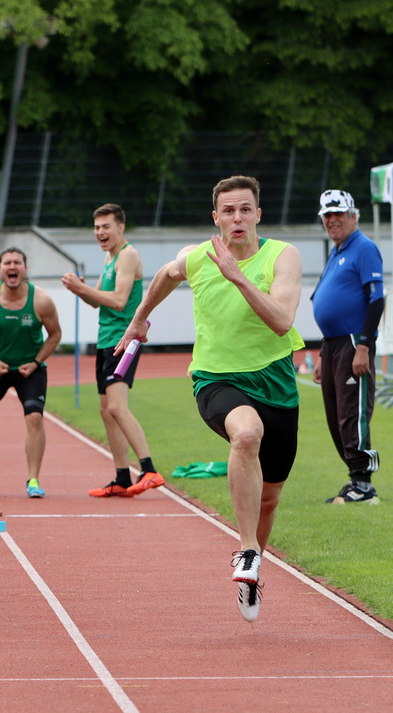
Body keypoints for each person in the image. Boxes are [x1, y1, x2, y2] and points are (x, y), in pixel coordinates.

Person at [117, 176, 304, 622]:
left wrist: (237, 277)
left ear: (258, 214)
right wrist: (141, 319)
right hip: (216, 380)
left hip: (276, 385)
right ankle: (244, 552)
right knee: (246, 435)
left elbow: (282, 321)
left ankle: (253, 568)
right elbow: (165, 275)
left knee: (271, 498)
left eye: (245, 210)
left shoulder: (284, 256)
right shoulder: (198, 257)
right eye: (228, 211)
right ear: (215, 217)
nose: (236, 218)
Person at [61, 204, 164, 498]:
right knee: (107, 412)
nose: (100, 233)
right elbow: (98, 301)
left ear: (120, 228)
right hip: (107, 340)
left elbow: (119, 300)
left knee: (117, 407)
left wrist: (83, 291)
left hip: (124, 340)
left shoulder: (128, 255)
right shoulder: (109, 257)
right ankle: (121, 476)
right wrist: (81, 290)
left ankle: (149, 470)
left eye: (106, 226)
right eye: (96, 227)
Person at [0, 248, 61, 497]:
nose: (12, 266)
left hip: (30, 369)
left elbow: (55, 334)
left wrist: (37, 362)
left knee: (35, 419)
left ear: (24, 269)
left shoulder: (41, 300)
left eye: (17, 262)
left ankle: (33, 480)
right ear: (0, 270)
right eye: (7, 262)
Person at [309, 190, 384, 503]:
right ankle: (354, 478)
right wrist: (322, 353)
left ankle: (363, 483)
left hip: (354, 341)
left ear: (353, 216)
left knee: (351, 412)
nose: (332, 220)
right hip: (334, 344)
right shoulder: (337, 250)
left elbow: (376, 299)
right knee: (335, 413)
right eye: (327, 214)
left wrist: (364, 345)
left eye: (338, 213)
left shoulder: (364, 248)